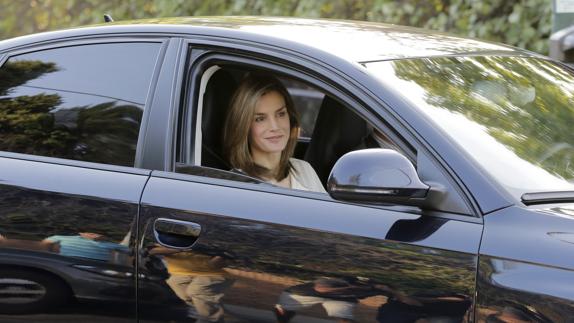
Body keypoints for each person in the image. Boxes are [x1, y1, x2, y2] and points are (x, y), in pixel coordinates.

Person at [223, 73, 325, 193]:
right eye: (260, 119)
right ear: (244, 127)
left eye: (280, 114)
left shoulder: (303, 169)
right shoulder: (235, 186)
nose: (275, 127)